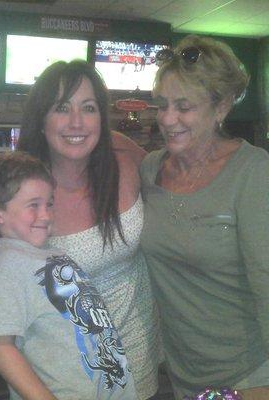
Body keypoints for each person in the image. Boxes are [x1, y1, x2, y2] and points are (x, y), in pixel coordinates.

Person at [18, 59, 162, 400]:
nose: (76, 122)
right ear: (41, 119)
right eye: (61, 108)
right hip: (64, 372)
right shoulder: (19, 195)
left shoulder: (128, 164)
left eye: (89, 108)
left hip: (138, 357)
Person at [140, 34, 269, 400]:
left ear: (222, 107)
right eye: (162, 105)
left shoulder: (253, 172)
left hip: (250, 374)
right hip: (182, 373)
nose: (168, 119)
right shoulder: (150, 169)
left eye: (184, 106)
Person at [0, 151, 137, 400]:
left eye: (49, 203)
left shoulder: (49, 253)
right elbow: (0, 347)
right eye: (33, 205)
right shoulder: (8, 266)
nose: (46, 215)